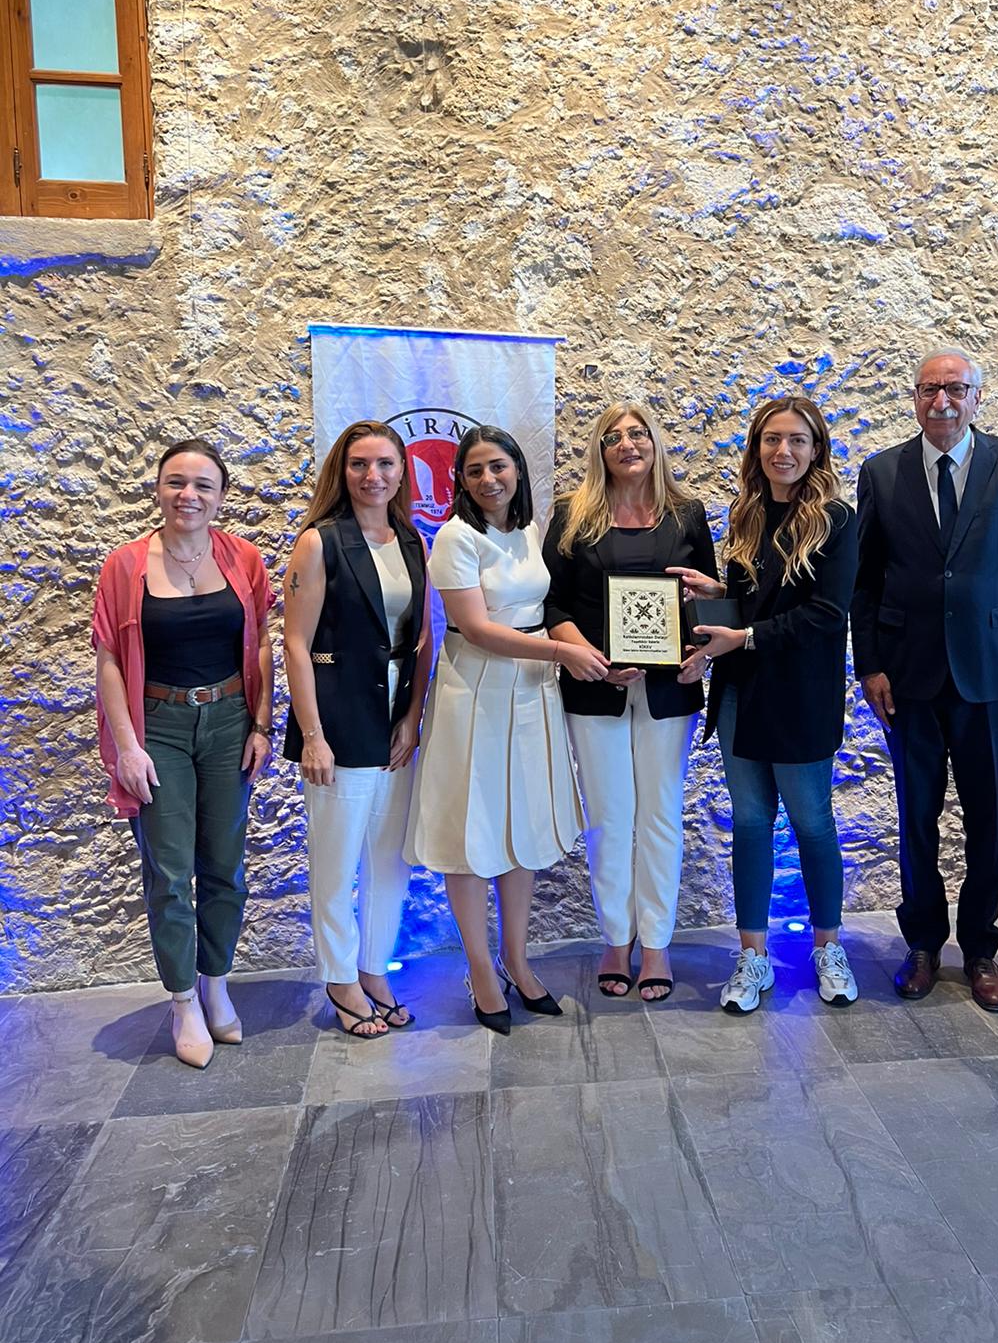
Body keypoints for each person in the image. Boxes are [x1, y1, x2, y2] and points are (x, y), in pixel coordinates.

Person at [851, 349, 998, 1012]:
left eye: (955, 390)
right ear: (915, 398)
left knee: (986, 818)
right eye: (930, 389)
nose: (942, 401)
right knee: (916, 816)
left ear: (976, 398)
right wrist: (870, 665)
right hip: (908, 676)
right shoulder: (881, 472)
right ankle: (921, 945)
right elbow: (864, 583)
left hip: (991, 677)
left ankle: (980, 949)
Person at [405, 425, 608, 1035]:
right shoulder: (454, 537)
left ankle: (517, 960)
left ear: (517, 469)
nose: (489, 479)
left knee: (521, 827)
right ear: (460, 481)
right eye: (475, 470)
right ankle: (480, 969)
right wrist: (563, 655)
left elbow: (543, 612)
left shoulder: (527, 530)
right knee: (472, 832)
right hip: (475, 695)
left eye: (498, 466)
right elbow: (477, 628)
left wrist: (588, 653)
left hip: (531, 691)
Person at [93, 439, 274, 1069]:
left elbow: (260, 643)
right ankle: (182, 1002)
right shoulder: (124, 566)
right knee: (169, 873)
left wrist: (260, 724)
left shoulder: (243, 558)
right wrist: (127, 746)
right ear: (158, 489)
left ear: (221, 496)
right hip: (159, 726)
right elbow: (110, 661)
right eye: (176, 482)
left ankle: (216, 985)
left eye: (202, 485)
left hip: (228, 720)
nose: (188, 495)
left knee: (226, 865)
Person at [677, 396, 859, 1014]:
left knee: (813, 824)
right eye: (772, 439)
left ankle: (828, 947)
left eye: (797, 440)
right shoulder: (748, 514)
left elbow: (827, 613)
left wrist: (745, 636)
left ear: (816, 450)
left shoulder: (836, 520)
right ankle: (752, 956)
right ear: (757, 449)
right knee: (751, 825)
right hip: (741, 694)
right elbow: (759, 602)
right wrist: (718, 591)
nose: (784, 451)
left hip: (801, 699)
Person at [543, 401, 717, 1001]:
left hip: (670, 689)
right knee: (610, 818)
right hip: (595, 687)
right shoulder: (572, 514)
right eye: (613, 437)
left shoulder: (687, 513)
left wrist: (704, 653)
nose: (627, 444)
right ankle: (617, 939)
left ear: (655, 442)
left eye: (638, 433)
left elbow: (708, 596)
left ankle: (658, 943)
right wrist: (587, 656)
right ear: (600, 451)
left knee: (660, 815)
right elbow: (552, 604)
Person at [282, 420, 431, 1039]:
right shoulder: (319, 542)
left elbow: (422, 638)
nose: (373, 476)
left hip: (394, 718)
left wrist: (413, 717)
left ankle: (374, 969)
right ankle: (340, 978)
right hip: (339, 718)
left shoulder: (412, 540)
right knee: (337, 858)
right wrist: (314, 736)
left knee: (390, 860)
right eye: (360, 464)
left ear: (403, 472)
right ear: (341, 473)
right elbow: (295, 643)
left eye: (385, 464)